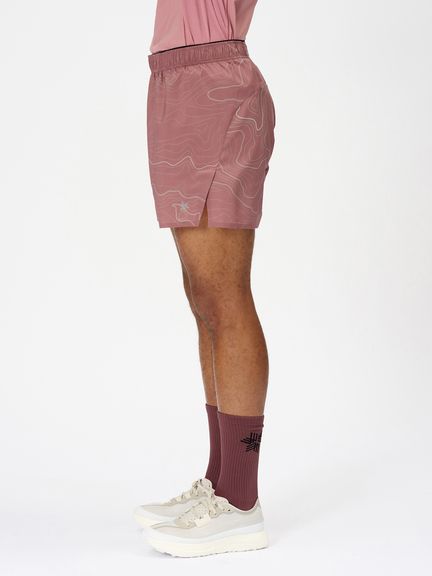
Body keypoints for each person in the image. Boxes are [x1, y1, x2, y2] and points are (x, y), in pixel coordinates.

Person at [134, 0, 276, 558]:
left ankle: (241, 503)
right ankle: (221, 481)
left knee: (225, 295)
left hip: (213, 80)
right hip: (173, 78)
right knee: (203, 298)